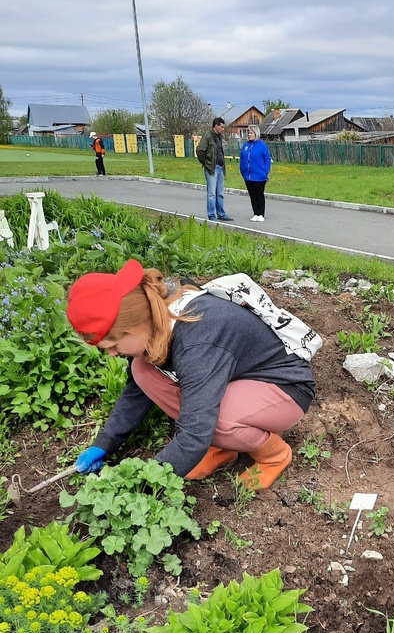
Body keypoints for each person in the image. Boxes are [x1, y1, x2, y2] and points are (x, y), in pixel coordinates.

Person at [66, 259, 315, 488]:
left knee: (217, 420)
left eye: (113, 346)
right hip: (236, 378)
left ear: (133, 327)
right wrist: (105, 442)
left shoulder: (198, 340)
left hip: (284, 386)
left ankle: (273, 455)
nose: (112, 354)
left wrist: (142, 486)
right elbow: (135, 395)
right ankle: (224, 447)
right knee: (142, 371)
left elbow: (196, 432)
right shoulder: (156, 324)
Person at [196, 117, 234, 222]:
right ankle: (212, 215)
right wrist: (206, 163)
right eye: (221, 127)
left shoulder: (219, 137)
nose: (223, 129)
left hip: (220, 168)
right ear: (216, 126)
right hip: (212, 168)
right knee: (212, 193)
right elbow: (200, 150)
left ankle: (221, 214)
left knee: (220, 193)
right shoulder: (208, 136)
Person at [239, 125, 272, 222]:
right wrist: (242, 170)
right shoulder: (245, 145)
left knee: (259, 195)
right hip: (248, 176)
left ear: (256, 134)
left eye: (251, 133)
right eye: (248, 133)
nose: (249, 135)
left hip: (259, 176)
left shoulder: (262, 145)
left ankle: (261, 214)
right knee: (252, 195)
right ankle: (255, 213)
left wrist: (265, 171)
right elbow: (242, 158)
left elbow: (267, 159)